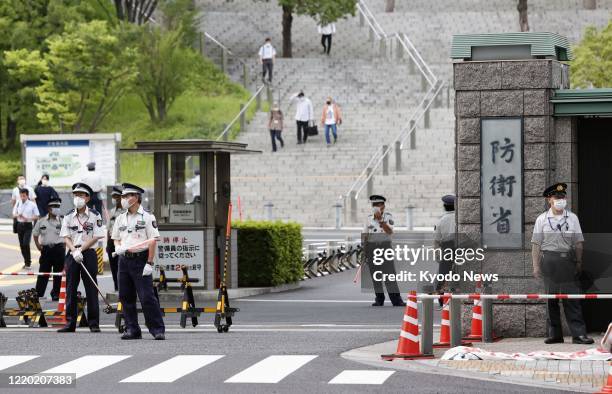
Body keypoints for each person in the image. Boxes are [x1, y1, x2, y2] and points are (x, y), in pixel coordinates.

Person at [531, 182, 594, 345]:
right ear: (549, 200)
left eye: (562, 197)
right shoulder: (542, 219)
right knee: (551, 299)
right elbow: (536, 244)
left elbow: (579, 242)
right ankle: (555, 334)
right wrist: (536, 266)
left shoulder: (572, 218)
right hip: (549, 261)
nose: (560, 199)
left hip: (567, 261)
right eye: (556, 197)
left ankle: (578, 335)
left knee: (572, 298)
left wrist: (579, 262)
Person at [112, 183, 165, 340]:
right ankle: (132, 329)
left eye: (127, 196)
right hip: (124, 260)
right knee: (126, 296)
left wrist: (149, 262)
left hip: (140, 259)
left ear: (136, 198)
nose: (124, 199)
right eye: (123, 196)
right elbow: (115, 238)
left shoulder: (147, 217)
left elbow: (153, 240)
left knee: (146, 297)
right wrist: (119, 247)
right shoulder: (120, 218)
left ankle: (157, 329)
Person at [57, 182, 104, 333]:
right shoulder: (69, 215)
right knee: (70, 289)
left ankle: (94, 323)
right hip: (72, 254)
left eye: (81, 195)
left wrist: (81, 250)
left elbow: (96, 236)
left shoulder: (95, 216)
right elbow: (66, 236)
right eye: (76, 195)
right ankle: (70, 323)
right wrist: (73, 251)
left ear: (88, 198)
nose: (78, 198)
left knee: (91, 289)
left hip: (89, 253)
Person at [364, 195, 405, 307]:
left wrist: (380, 221)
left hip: (385, 247)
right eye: (374, 205)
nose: (375, 207)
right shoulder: (368, 218)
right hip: (373, 248)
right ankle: (379, 298)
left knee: (389, 275)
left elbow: (390, 231)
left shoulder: (388, 217)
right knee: (376, 275)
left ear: (383, 206)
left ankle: (396, 299)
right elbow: (365, 236)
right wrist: (365, 253)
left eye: (378, 205)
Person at [33, 198, 65, 300]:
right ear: (49, 208)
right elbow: (35, 233)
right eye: (54, 206)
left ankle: (56, 294)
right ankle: (38, 294)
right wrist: (38, 244)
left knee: (58, 273)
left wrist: (64, 245)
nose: (57, 209)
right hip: (46, 250)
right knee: (43, 273)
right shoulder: (41, 221)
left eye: (58, 206)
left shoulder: (63, 221)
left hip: (59, 250)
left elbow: (69, 235)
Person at [433, 194, 456, 308]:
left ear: (444, 206)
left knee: (443, 275)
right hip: (460, 248)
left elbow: (437, 240)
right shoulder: (459, 218)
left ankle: (442, 301)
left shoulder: (441, 221)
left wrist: (438, 256)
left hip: (446, 249)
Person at [13, 188, 40, 270]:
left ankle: (28, 263)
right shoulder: (18, 202)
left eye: (24, 196)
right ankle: (26, 262)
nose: (22, 197)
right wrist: (18, 215)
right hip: (19, 225)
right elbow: (13, 214)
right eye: (21, 196)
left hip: (28, 225)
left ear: (27, 195)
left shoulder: (32, 204)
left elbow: (37, 216)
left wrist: (28, 218)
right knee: (21, 245)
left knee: (25, 243)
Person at [106, 186, 124, 292]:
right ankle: (117, 287)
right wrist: (108, 245)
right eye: (113, 197)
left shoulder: (127, 211)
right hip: (112, 241)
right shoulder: (111, 211)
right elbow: (108, 229)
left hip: (123, 241)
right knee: (113, 266)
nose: (114, 199)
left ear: (121, 197)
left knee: (122, 265)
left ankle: (124, 287)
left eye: (116, 197)